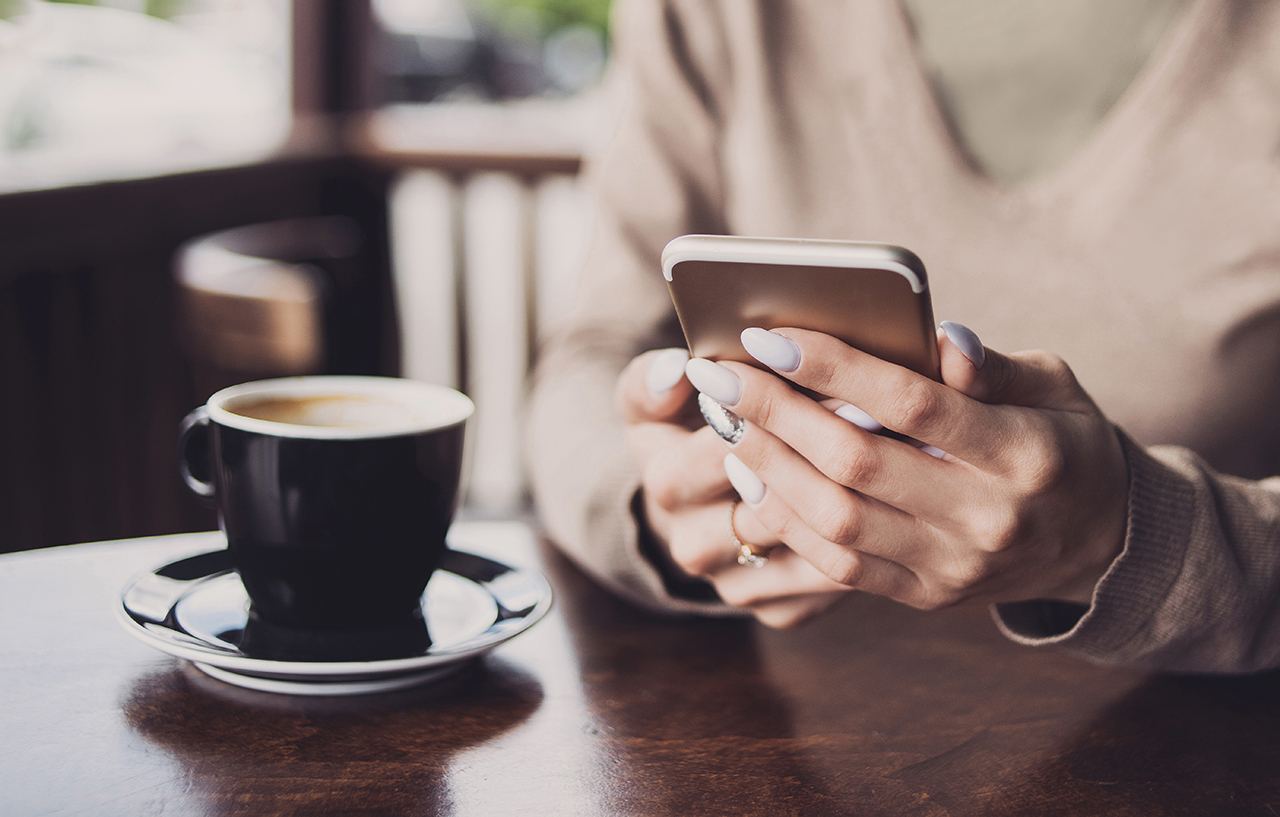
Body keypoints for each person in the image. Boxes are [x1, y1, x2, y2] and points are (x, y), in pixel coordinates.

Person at [526, 0, 1280, 673]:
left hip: (1199, 739)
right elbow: (587, 358)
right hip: (779, 743)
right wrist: (658, 510)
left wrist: (1138, 543)